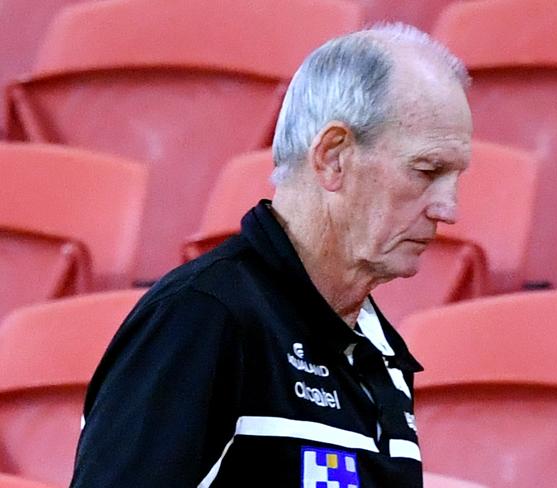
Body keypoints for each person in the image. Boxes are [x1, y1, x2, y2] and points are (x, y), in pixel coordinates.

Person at [70, 22, 472, 487]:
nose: (449, 209)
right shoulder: (201, 318)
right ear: (332, 156)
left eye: (456, 177)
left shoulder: (380, 348)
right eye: (426, 170)